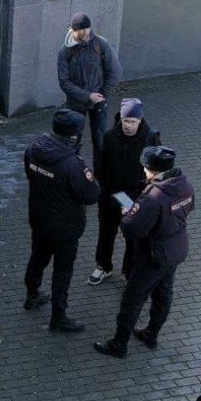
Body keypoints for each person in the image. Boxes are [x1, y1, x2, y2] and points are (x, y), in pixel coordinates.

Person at [94, 145, 194, 358]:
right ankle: (151, 334)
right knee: (164, 293)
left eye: (145, 168)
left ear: (153, 170)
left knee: (133, 298)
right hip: (176, 249)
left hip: (153, 254)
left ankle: (119, 344)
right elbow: (188, 207)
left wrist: (128, 214)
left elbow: (132, 229)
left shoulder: (153, 195)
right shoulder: (184, 183)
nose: (143, 172)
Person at [23, 109, 100, 333]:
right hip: (65, 228)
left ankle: (32, 295)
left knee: (37, 258)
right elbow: (91, 195)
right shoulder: (72, 164)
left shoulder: (33, 150)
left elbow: (30, 175)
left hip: (39, 220)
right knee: (62, 272)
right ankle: (59, 316)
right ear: (75, 135)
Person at [88, 97, 161, 286]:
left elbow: (155, 171)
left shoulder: (150, 138)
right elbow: (99, 165)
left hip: (135, 198)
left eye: (133, 121)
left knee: (133, 238)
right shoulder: (109, 136)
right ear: (120, 118)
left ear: (140, 120)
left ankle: (130, 272)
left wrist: (138, 197)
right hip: (110, 195)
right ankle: (103, 266)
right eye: (126, 120)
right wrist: (108, 188)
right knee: (106, 233)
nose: (129, 125)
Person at [57, 11, 122, 168]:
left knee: (100, 140)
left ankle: (100, 178)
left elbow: (115, 71)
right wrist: (87, 96)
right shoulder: (65, 51)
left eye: (88, 28)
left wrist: (102, 95)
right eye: (82, 30)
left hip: (99, 102)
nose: (86, 33)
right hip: (75, 103)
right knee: (73, 140)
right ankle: (73, 172)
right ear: (73, 30)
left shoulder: (100, 44)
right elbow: (64, 82)